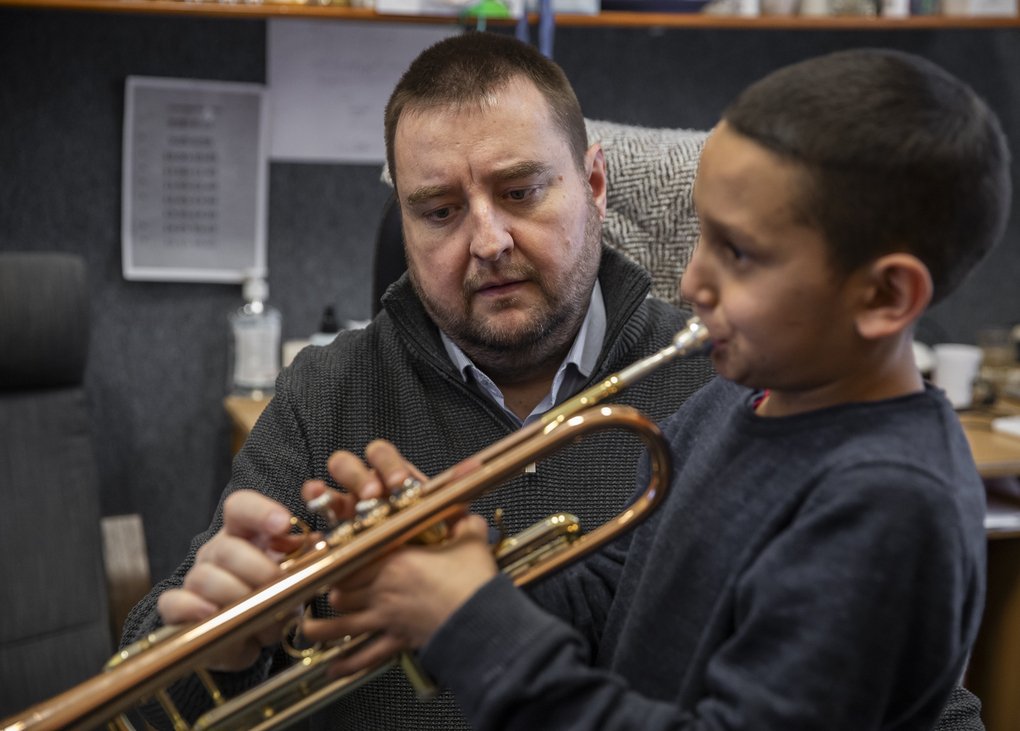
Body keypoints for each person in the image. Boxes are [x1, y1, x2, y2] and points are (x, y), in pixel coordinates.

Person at [296, 48, 1010, 730]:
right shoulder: (738, 399)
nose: (692, 279)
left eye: (737, 252)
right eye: (702, 234)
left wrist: (472, 619)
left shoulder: (886, 503)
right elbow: (622, 592)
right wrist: (462, 558)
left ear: (884, 295)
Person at [122, 32, 716, 731]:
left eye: (520, 191)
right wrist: (218, 651)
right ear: (403, 223)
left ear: (593, 185)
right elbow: (144, 695)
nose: (488, 241)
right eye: (439, 211)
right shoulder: (327, 389)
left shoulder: (712, 376)